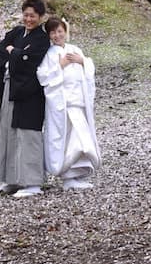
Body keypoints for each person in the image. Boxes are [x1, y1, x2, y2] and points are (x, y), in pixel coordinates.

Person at [0, 0, 51, 198]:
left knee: (28, 135)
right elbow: (2, 50)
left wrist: (15, 53)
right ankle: (12, 179)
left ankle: (33, 182)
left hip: (30, 92)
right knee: (8, 133)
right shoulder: (17, 32)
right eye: (26, 15)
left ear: (41, 17)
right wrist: (17, 53)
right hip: (11, 88)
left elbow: (29, 61)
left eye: (33, 16)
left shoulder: (42, 39)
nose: (28, 19)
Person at [36, 16, 100, 191]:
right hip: (62, 105)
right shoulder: (49, 54)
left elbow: (88, 68)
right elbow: (43, 76)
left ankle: (76, 174)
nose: (57, 35)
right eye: (53, 33)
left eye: (59, 31)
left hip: (78, 102)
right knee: (66, 140)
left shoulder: (75, 49)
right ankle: (67, 177)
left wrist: (83, 62)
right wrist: (60, 66)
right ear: (49, 35)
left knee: (81, 139)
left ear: (65, 31)